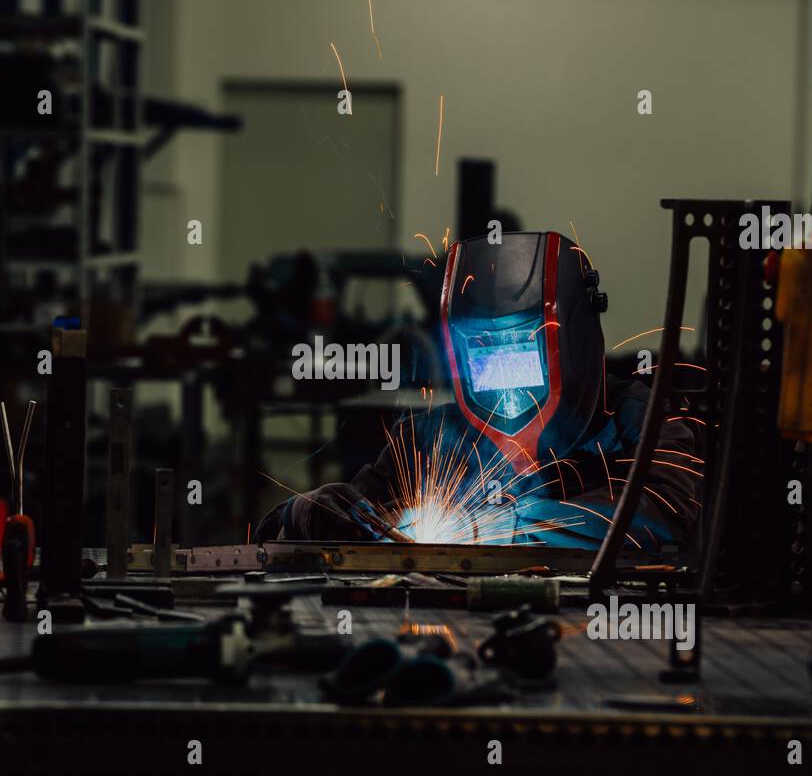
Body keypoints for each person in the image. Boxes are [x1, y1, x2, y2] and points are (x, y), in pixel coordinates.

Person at [255, 231, 700, 550]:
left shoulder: (641, 420)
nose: (506, 392)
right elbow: (283, 534)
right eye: (485, 363)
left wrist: (497, 528)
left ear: (571, 344)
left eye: (520, 359)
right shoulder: (425, 442)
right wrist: (307, 514)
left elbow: (663, 515)